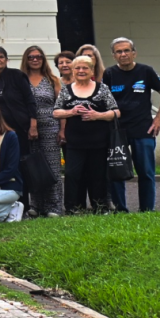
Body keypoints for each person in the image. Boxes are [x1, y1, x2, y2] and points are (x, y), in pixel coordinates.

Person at [103, 37, 160, 213]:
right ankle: (120, 209)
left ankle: (147, 209)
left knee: (146, 172)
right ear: (113, 55)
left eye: (127, 50)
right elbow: (103, 99)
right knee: (117, 170)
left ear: (134, 53)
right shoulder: (109, 74)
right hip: (117, 130)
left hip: (143, 128)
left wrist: (159, 118)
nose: (123, 54)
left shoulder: (146, 71)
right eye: (119, 51)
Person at [53, 55, 119, 213]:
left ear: (91, 71)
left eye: (85, 68)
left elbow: (116, 112)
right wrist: (71, 112)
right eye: (77, 68)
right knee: (72, 175)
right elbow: (56, 112)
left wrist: (98, 115)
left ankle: (99, 207)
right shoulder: (66, 90)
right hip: (74, 143)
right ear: (73, 71)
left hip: (99, 142)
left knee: (98, 175)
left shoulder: (102, 88)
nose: (81, 71)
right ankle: (73, 208)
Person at [20, 45, 63, 218]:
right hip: (28, 129)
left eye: (38, 56)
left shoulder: (52, 80)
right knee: (33, 166)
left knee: (52, 166)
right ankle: (36, 205)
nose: (35, 59)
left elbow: (60, 106)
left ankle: (54, 206)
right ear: (26, 59)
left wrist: (63, 130)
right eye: (31, 57)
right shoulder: (21, 79)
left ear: (43, 59)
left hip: (50, 127)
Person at [0, 47, 37, 158]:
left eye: (1, 57)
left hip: (19, 127)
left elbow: (30, 100)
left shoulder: (17, 75)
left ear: (6, 60)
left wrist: (33, 126)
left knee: (21, 159)